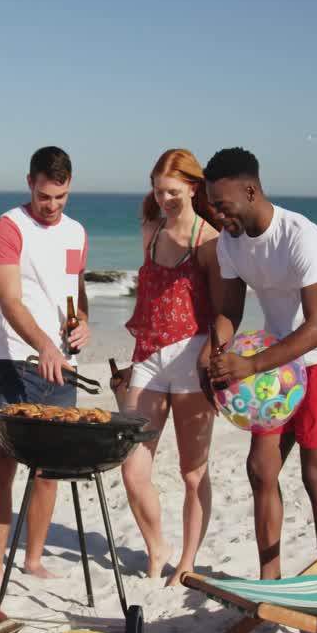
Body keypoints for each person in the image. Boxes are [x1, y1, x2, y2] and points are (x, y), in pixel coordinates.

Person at [200, 148, 317, 580]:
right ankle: (271, 579)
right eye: (212, 204)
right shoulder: (230, 243)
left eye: (222, 203)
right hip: (276, 365)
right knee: (260, 469)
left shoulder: (300, 235)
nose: (216, 213)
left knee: (315, 478)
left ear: (250, 191)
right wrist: (213, 355)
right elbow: (229, 313)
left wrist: (249, 366)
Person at [0, 146, 90, 594]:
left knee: (49, 472)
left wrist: (83, 323)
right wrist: (43, 343)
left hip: (62, 366)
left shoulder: (77, 231)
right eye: (46, 196)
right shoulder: (9, 226)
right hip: (16, 360)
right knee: (1, 466)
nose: (52, 206)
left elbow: (75, 291)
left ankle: (33, 559)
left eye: (61, 197)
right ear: (30, 183)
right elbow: (10, 299)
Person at [118, 149, 222, 585]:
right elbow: (146, 300)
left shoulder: (209, 239)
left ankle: (187, 560)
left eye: (173, 191)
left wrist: (214, 360)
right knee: (132, 468)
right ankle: (156, 545)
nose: (165, 199)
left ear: (194, 188)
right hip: (148, 359)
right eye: (159, 191)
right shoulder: (151, 230)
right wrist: (129, 364)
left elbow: (224, 309)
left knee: (192, 471)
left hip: (192, 359)